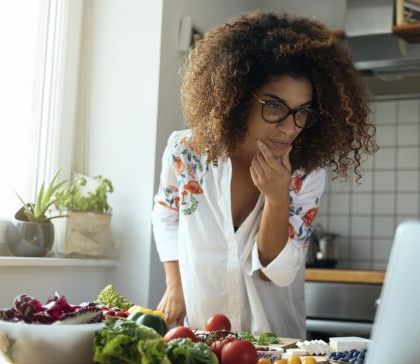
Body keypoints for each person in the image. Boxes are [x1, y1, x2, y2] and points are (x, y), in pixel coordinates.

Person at [152, 11, 376, 338]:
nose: (289, 127)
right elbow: (166, 213)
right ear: (239, 96)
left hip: (278, 349)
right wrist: (176, 285)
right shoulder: (186, 151)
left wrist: (276, 196)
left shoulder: (305, 171)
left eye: (302, 112)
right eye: (274, 106)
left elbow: (279, 273)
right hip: (202, 338)